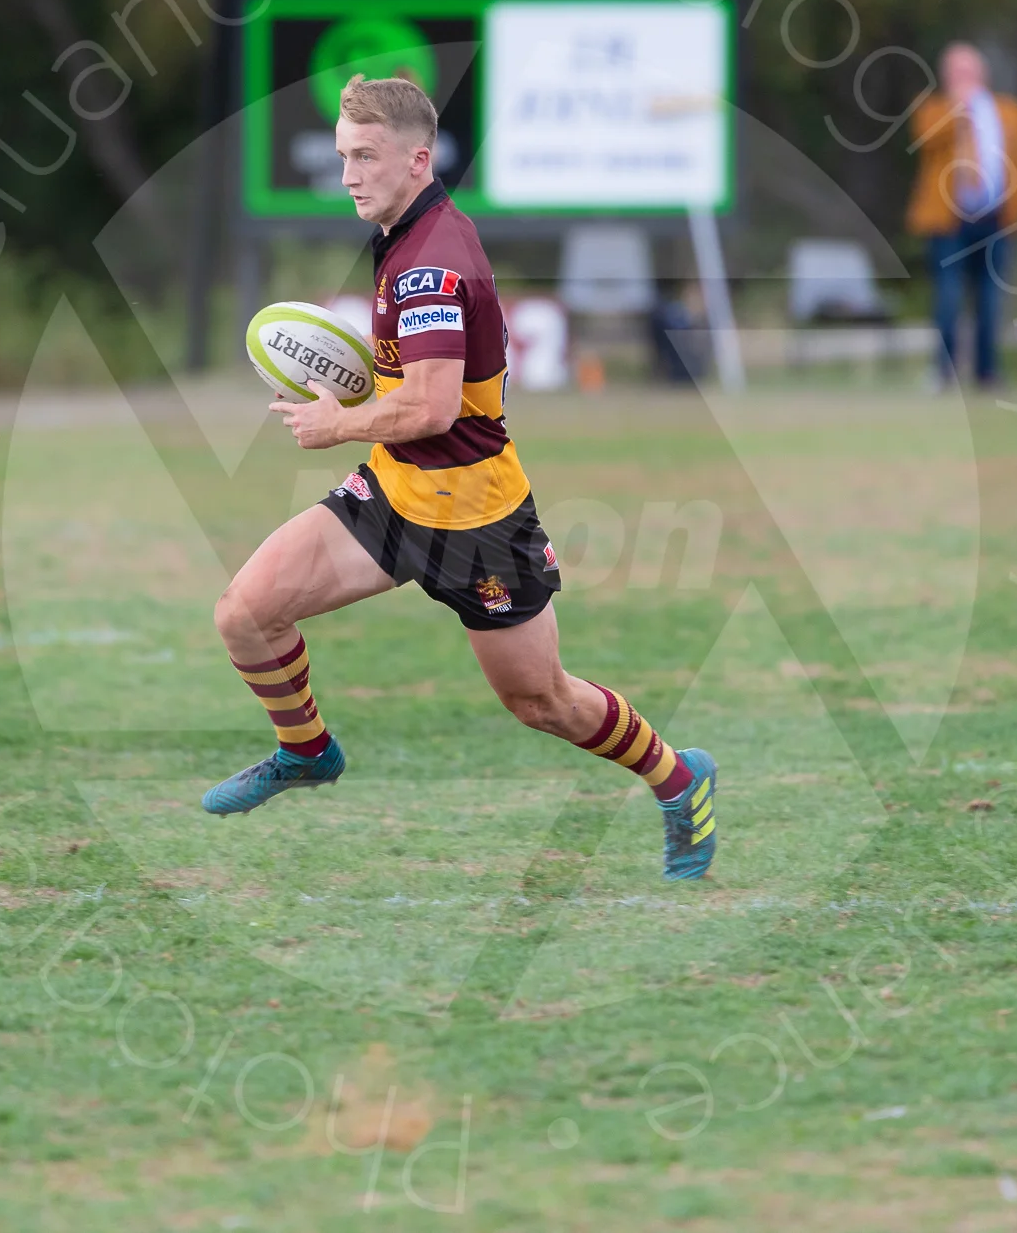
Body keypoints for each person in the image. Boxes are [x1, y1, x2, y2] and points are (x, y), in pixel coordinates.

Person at [202, 74, 720, 880]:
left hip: (478, 520)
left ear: (418, 159)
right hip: (393, 494)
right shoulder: (403, 234)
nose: (348, 175)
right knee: (245, 614)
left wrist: (335, 422)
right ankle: (307, 752)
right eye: (343, 156)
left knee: (541, 701)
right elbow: (414, 394)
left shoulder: (429, 266)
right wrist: (349, 393)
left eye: (366, 156)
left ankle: (679, 779)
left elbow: (436, 408)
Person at [906, 42, 1017, 387]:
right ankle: (943, 370)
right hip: (949, 222)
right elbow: (925, 137)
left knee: (991, 300)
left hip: (995, 218)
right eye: (955, 72)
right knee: (948, 298)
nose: (962, 78)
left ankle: (987, 370)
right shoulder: (934, 110)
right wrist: (958, 111)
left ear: (983, 74)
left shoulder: (1010, 113)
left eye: (967, 71)